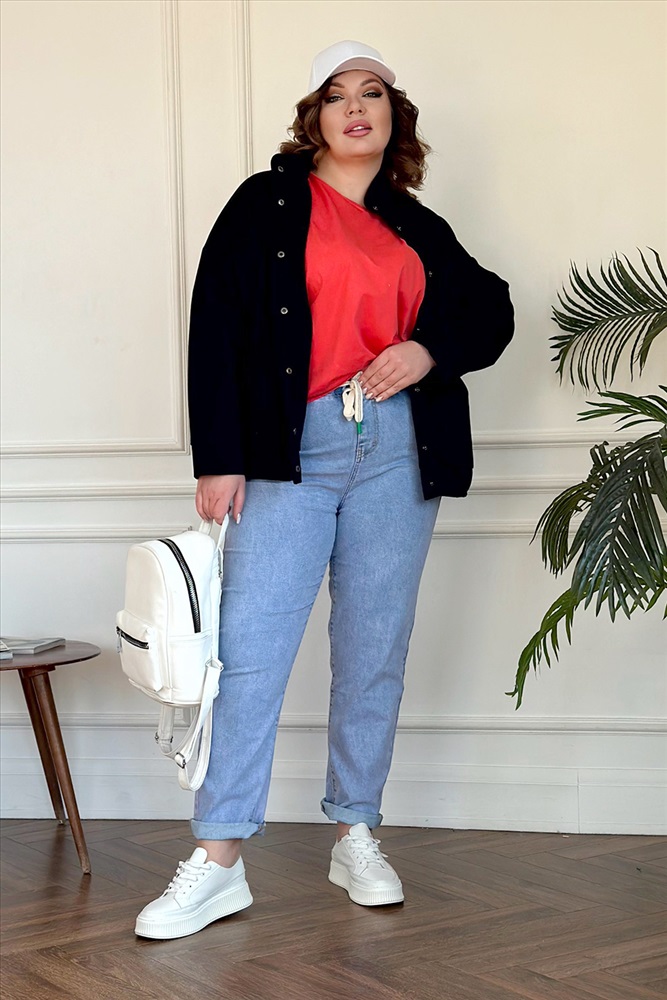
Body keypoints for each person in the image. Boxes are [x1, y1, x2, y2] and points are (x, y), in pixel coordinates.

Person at [135, 39, 514, 940]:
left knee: (373, 647)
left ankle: (356, 832)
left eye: (371, 93)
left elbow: (490, 308)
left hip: (397, 449)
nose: (354, 108)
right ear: (313, 118)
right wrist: (218, 457)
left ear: (392, 116)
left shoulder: (414, 224)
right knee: (250, 652)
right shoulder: (264, 204)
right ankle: (219, 858)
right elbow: (216, 327)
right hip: (289, 448)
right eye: (336, 95)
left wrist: (425, 351)